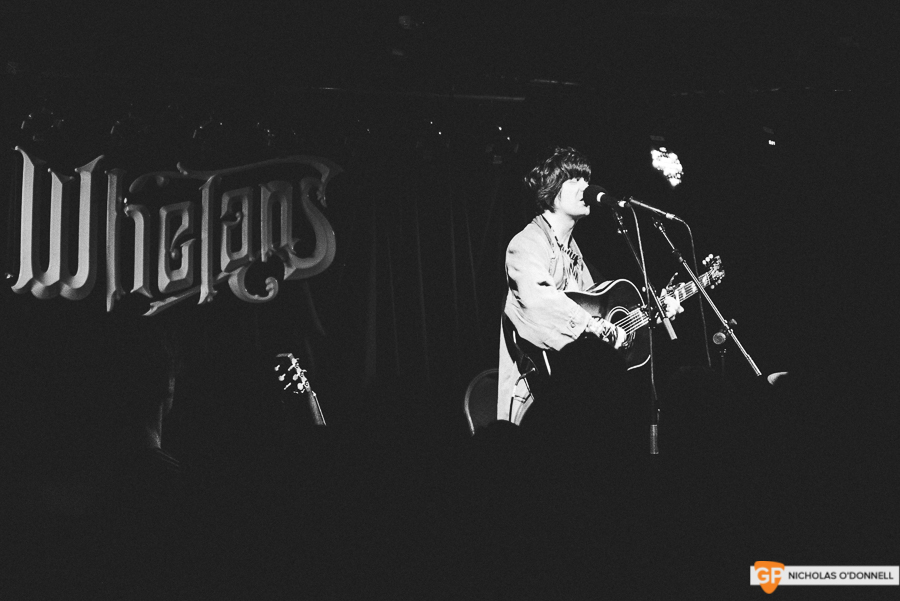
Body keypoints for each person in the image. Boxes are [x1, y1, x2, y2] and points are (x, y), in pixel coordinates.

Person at [497, 146, 681, 431]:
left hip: (575, 398)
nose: (586, 186)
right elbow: (540, 302)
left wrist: (653, 312)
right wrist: (598, 329)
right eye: (574, 179)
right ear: (551, 189)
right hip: (537, 403)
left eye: (586, 178)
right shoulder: (527, 244)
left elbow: (598, 310)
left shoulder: (574, 253)